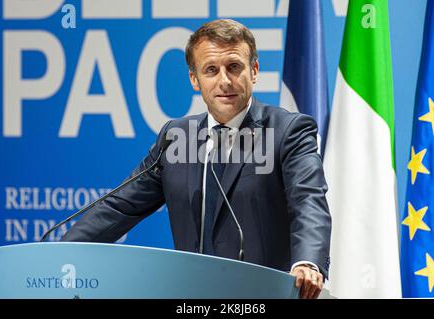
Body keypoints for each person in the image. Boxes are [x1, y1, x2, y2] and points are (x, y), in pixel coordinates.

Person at [61, 19, 331, 299]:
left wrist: (308, 261)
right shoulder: (177, 137)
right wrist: (58, 254)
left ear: (254, 71)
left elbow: (308, 200)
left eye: (234, 67)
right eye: (211, 70)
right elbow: (120, 207)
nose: (224, 81)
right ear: (194, 79)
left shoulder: (288, 131)